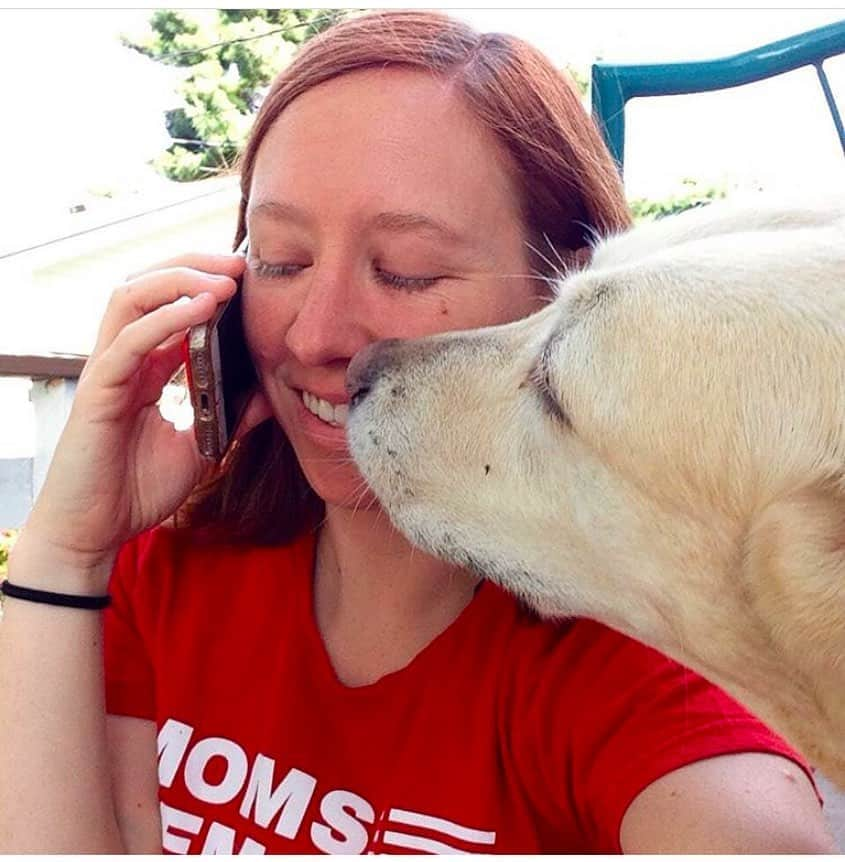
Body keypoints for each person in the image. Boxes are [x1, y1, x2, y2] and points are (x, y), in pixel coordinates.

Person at [0, 10, 835, 854]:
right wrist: (64, 554)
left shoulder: (636, 679)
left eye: (409, 272)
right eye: (281, 259)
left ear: (566, 300)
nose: (317, 338)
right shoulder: (168, 572)